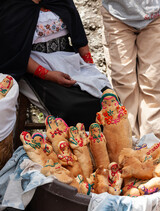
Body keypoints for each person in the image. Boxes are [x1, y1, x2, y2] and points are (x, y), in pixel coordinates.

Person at [0, 0, 111, 130]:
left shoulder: (60, 1)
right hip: (32, 68)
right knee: (69, 106)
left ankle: (106, 144)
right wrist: (49, 75)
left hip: (69, 61)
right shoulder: (11, 6)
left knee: (107, 96)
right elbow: (15, 53)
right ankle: (74, 145)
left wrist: (90, 67)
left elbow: (80, 39)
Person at [101, 1, 160, 140]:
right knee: (123, 81)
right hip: (117, 15)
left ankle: (152, 142)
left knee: (153, 80)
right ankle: (127, 141)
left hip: (155, 15)